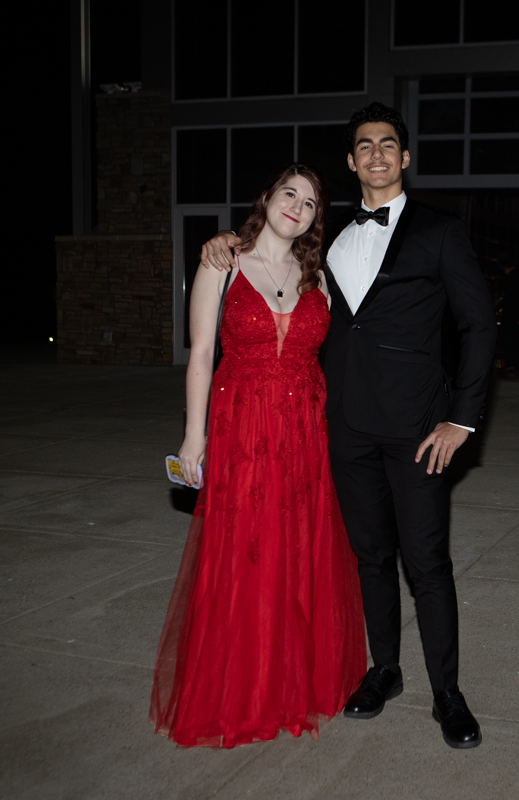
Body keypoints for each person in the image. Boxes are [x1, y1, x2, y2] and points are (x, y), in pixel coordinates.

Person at [198, 102, 497, 749]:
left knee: (427, 563)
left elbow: (478, 325)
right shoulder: (325, 240)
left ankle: (447, 693)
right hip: (343, 429)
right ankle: (383, 669)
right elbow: (271, 261)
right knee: (369, 557)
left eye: (388, 144)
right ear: (352, 161)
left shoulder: (440, 231)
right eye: (365, 146)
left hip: (419, 430)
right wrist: (222, 241)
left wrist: (462, 421)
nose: (377, 155)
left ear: (404, 157)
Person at [150, 165, 366, 747]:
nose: (297, 205)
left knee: (296, 553)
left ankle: (292, 684)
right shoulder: (221, 264)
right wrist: (194, 436)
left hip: (304, 437)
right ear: (267, 198)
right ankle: (242, 690)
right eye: (289, 193)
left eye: (310, 202)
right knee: (245, 553)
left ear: (316, 219)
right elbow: (200, 356)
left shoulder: (318, 278)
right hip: (242, 429)